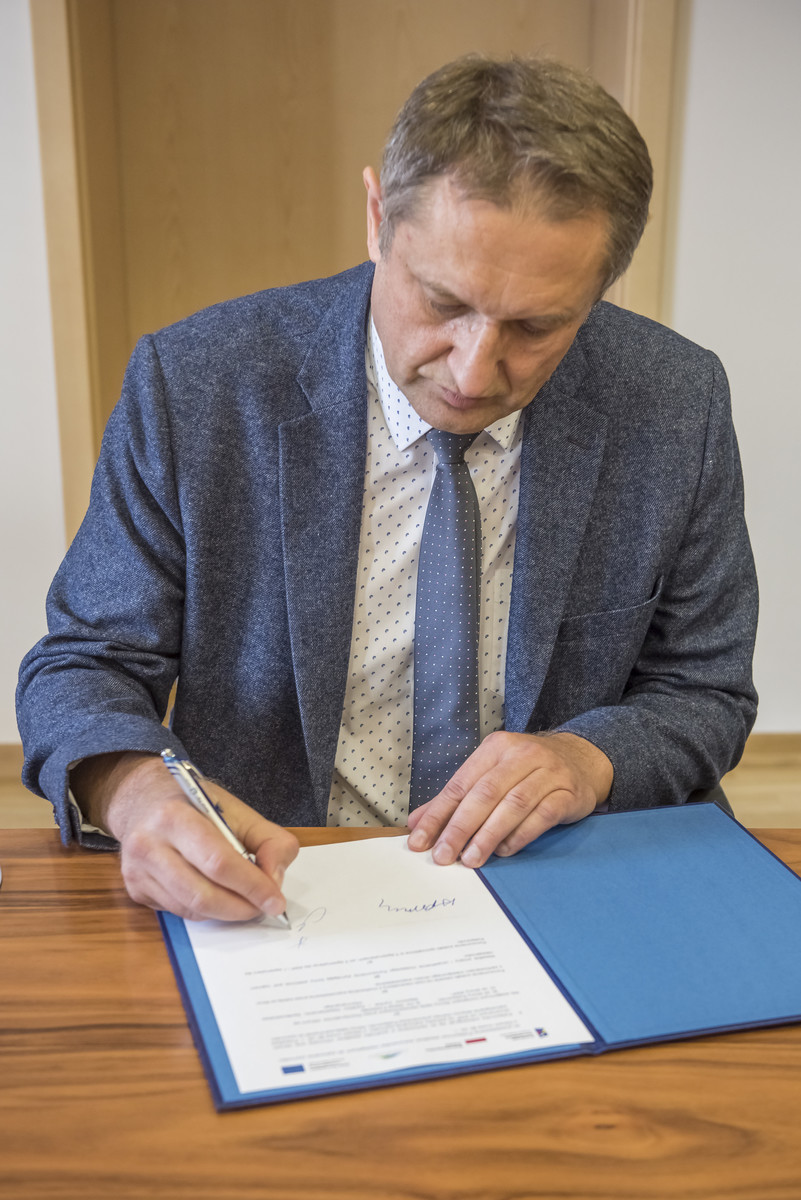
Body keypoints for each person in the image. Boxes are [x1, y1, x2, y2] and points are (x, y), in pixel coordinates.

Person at [17, 55, 758, 924]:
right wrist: (138, 791)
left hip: (560, 876)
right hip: (283, 878)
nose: (473, 372)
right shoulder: (197, 384)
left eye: (535, 325)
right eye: (442, 302)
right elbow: (86, 664)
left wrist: (588, 758)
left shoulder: (675, 402)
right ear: (377, 219)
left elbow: (703, 689)